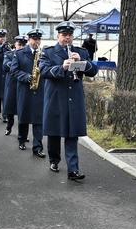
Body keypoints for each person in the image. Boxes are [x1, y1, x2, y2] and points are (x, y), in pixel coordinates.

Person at [40, 21, 98, 180]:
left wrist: (83, 62)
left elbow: (93, 70)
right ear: (58, 36)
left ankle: (73, 169)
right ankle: (54, 160)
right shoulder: (48, 52)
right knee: (54, 132)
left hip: (74, 98)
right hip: (56, 97)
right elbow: (44, 71)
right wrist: (62, 67)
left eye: (70, 35)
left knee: (72, 133)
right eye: (64, 35)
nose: (67, 38)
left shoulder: (81, 51)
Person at [10, 29, 46, 157]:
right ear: (29, 40)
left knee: (38, 120)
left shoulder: (43, 53)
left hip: (40, 90)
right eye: (34, 39)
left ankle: (37, 147)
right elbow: (14, 70)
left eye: (38, 39)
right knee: (23, 117)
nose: (36, 42)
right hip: (24, 90)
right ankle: (21, 139)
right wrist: (27, 77)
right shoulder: (19, 53)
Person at [2, 35, 27, 136]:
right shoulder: (9, 54)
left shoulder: (28, 55)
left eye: (23, 45)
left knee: (23, 110)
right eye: (19, 45)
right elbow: (5, 66)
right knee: (10, 109)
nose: (21, 47)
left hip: (23, 85)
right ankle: (9, 126)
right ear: (15, 45)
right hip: (12, 84)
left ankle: (22, 136)